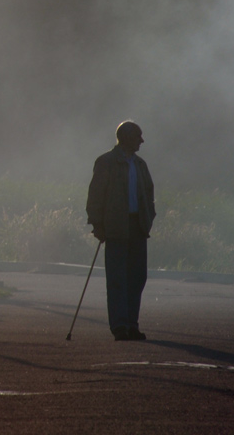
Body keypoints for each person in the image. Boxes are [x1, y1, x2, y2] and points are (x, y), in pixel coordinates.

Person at [86, 121, 156, 341]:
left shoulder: (141, 164)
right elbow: (95, 195)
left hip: (137, 226)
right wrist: (97, 225)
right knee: (117, 279)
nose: (141, 141)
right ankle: (120, 326)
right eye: (138, 136)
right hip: (116, 227)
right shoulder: (106, 162)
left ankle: (132, 325)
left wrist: (148, 219)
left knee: (137, 278)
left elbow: (149, 194)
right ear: (125, 137)